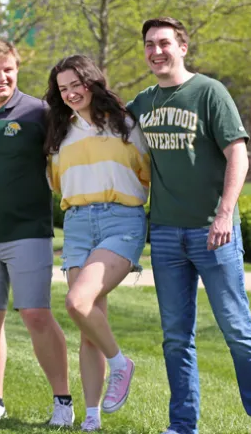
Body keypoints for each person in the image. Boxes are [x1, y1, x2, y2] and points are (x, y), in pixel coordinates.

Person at [127, 16, 251, 434]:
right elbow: (103, 129)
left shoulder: (209, 93)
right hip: (165, 234)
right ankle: (182, 425)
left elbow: (238, 154)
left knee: (237, 329)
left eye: (164, 43)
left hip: (214, 233)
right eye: (149, 45)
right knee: (176, 337)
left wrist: (225, 213)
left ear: (182, 47)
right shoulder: (143, 103)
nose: (156, 51)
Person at [0, 38, 74, 426]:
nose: (1, 77)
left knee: (36, 314)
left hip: (28, 232)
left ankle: (63, 402)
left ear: (16, 70)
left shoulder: (40, 112)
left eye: (8, 69)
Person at [45, 54, 150, 432]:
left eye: (77, 84)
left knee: (77, 302)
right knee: (91, 323)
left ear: (92, 82)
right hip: (76, 223)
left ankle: (121, 364)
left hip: (121, 220)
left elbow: (145, 172)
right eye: (63, 88)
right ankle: (91, 419)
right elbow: (57, 183)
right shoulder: (60, 132)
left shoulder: (124, 125)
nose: (71, 93)